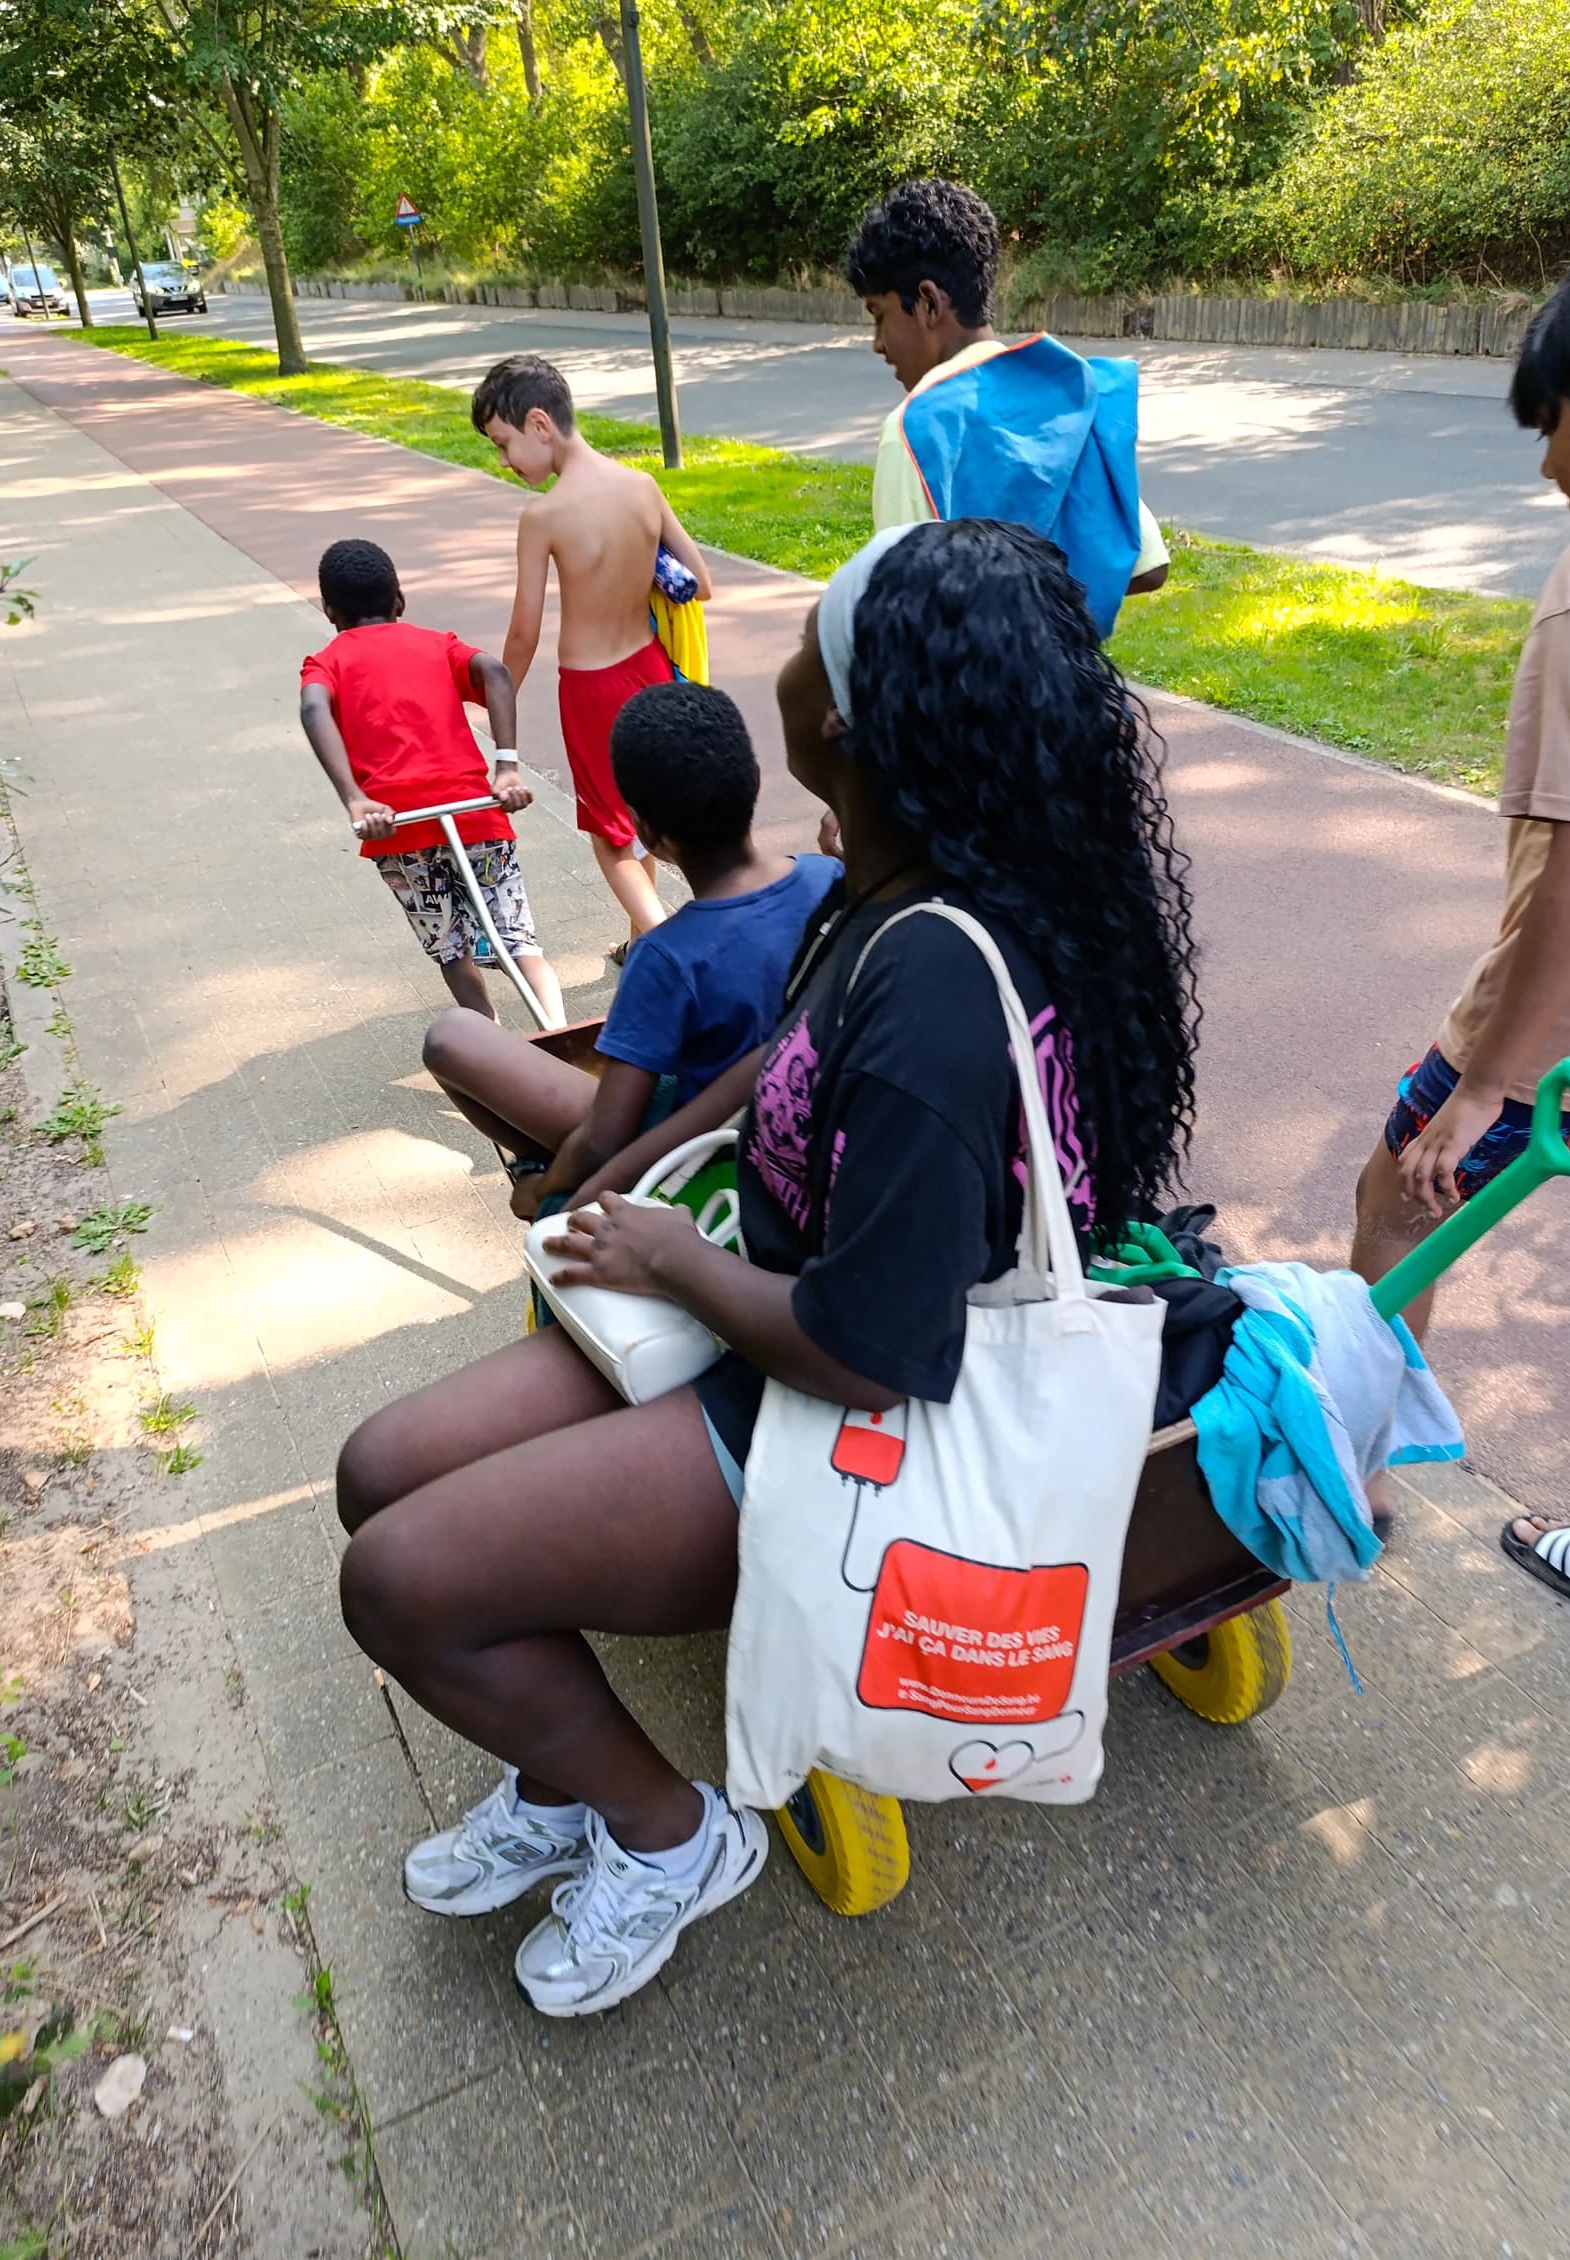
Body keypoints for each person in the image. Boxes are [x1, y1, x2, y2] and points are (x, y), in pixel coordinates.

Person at [332, 517, 1198, 2016]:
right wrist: (633, 1173)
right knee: (372, 1467)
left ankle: (674, 1840)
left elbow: (878, 1350)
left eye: (804, 644)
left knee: (396, 1580)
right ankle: (561, 1771)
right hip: (771, 1292)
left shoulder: (939, 983)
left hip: (843, 1398)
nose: (773, 659)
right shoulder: (895, 874)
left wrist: (669, 1254)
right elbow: (787, 1052)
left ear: (849, 724)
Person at [1350, 207, 1570, 1663]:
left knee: (1391, 1205)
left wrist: (1483, 1084)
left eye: (1551, 427)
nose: (1545, 470)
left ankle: (1330, 1489)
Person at [422, 680, 840, 1218]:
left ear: (644, 830)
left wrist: (553, 1191)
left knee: (450, 1038)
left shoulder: (667, 956)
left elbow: (605, 1139)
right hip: (784, 1108)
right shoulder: (829, 876)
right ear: (754, 781)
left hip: (694, 1141)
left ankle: (534, 1170)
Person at [472, 352, 714, 954]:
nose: (503, 462)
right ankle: (644, 938)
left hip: (592, 690)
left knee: (610, 838)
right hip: (652, 672)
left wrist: (494, 697)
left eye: (503, 444)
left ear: (538, 425)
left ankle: (667, 954)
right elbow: (701, 582)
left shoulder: (544, 516)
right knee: (652, 817)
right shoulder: (641, 486)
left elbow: (524, 631)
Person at [846, 179, 1171, 607]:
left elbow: (905, 615)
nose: (877, 343)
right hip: (1070, 673)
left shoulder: (915, 429)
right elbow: (1147, 565)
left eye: (878, 315)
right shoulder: (1064, 391)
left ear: (927, 302)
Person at [299, 538, 564, 1026]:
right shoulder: (437, 644)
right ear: (399, 601)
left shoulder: (326, 663)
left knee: (451, 950)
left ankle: (489, 1041)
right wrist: (505, 765)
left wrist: (356, 799)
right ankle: (562, 1034)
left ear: (328, 609)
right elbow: (497, 673)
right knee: (518, 941)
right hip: (474, 814)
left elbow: (314, 707)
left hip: (398, 828)